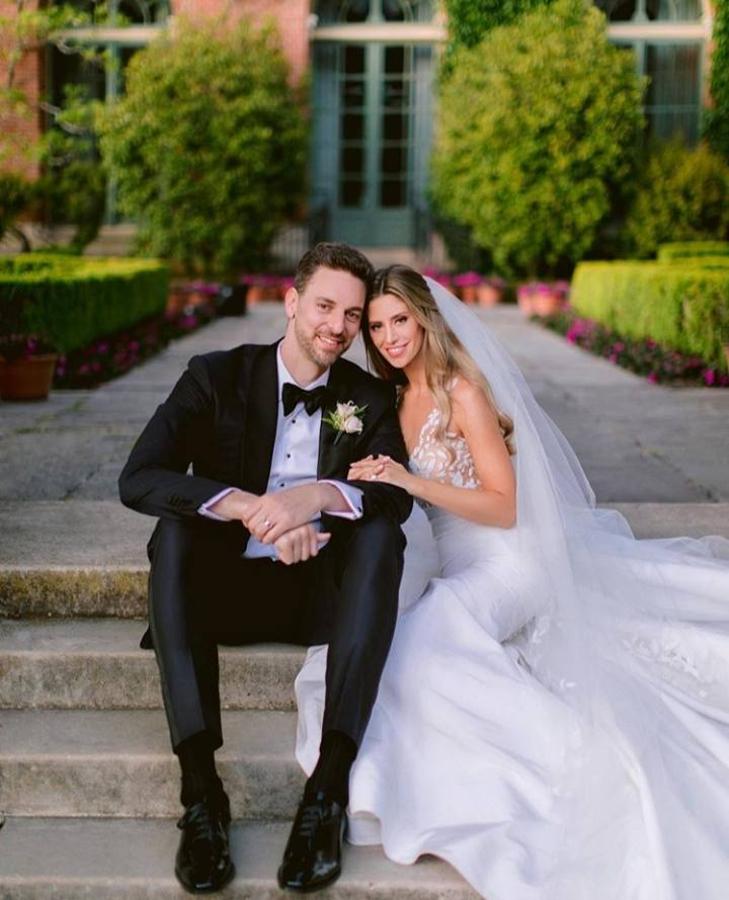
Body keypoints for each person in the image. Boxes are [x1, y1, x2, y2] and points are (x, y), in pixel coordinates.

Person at [295, 264, 729, 900]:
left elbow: (505, 505)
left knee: (422, 638)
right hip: (455, 560)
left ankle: (560, 757)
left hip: (507, 560)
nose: (389, 336)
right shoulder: (384, 400)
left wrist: (410, 481)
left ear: (425, 320)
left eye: (401, 321)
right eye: (379, 325)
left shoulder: (461, 392)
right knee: (387, 635)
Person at [118, 243, 412, 894]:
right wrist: (247, 508)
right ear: (290, 302)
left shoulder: (367, 396)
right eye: (324, 306)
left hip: (320, 596)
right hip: (226, 592)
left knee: (380, 538)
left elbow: (395, 494)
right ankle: (200, 796)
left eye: (352, 315)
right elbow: (138, 478)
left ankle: (326, 793)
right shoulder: (214, 375)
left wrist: (315, 500)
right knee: (174, 533)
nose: (336, 326)